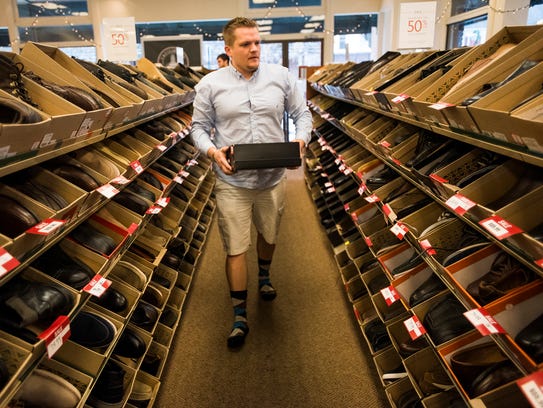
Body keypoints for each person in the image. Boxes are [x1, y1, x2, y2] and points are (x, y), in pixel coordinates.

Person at [191, 16, 312, 348]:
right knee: (235, 246)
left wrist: (301, 141)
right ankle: (239, 315)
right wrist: (213, 152)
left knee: (269, 234)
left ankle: (264, 275)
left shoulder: (281, 78)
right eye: (246, 44)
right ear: (228, 49)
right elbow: (198, 128)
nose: (255, 49)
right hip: (232, 180)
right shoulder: (210, 85)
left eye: (258, 42)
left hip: (272, 178)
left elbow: (303, 115)